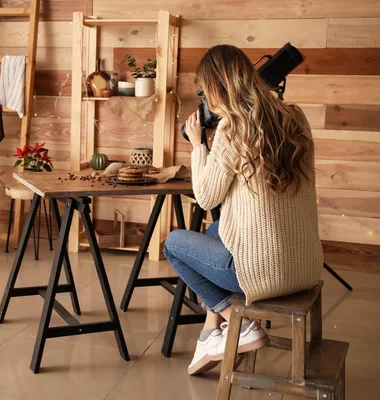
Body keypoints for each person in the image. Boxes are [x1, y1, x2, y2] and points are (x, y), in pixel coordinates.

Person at [164, 45, 323, 375]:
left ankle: (241, 325)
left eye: (207, 91)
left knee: (174, 244)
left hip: (262, 274)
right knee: (213, 232)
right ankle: (212, 333)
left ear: (219, 87)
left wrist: (198, 146)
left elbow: (206, 198)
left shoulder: (231, 128)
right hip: (305, 265)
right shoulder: (295, 117)